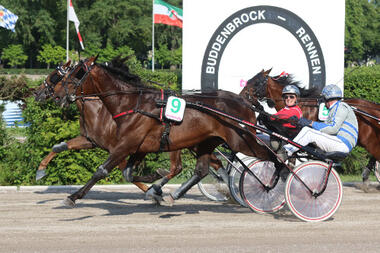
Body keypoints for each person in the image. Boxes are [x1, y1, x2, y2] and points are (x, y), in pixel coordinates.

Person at [280, 84, 358, 159]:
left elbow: (332, 129)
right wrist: (308, 124)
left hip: (342, 143)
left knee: (308, 132)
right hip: (340, 142)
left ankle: (286, 151)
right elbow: (325, 129)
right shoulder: (335, 109)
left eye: (323, 99)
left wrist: (310, 123)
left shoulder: (341, 106)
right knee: (309, 132)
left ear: (326, 98)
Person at [257, 85, 303, 150]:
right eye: (286, 97)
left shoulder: (294, 111)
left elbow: (272, 118)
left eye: (291, 97)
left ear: (296, 98)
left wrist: (260, 109)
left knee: (255, 138)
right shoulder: (286, 109)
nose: (288, 99)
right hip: (279, 136)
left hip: (284, 142)